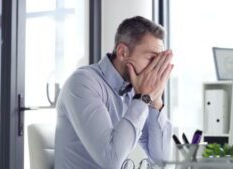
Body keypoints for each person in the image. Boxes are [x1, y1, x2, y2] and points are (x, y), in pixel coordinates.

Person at [54, 16, 174, 169]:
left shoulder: (133, 90)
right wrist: (143, 97)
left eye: (159, 62)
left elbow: (161, 161)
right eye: (151, 59)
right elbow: (111, 160)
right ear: (122, 52)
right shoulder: (83, 83)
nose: (156, 69)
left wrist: (156, 100)